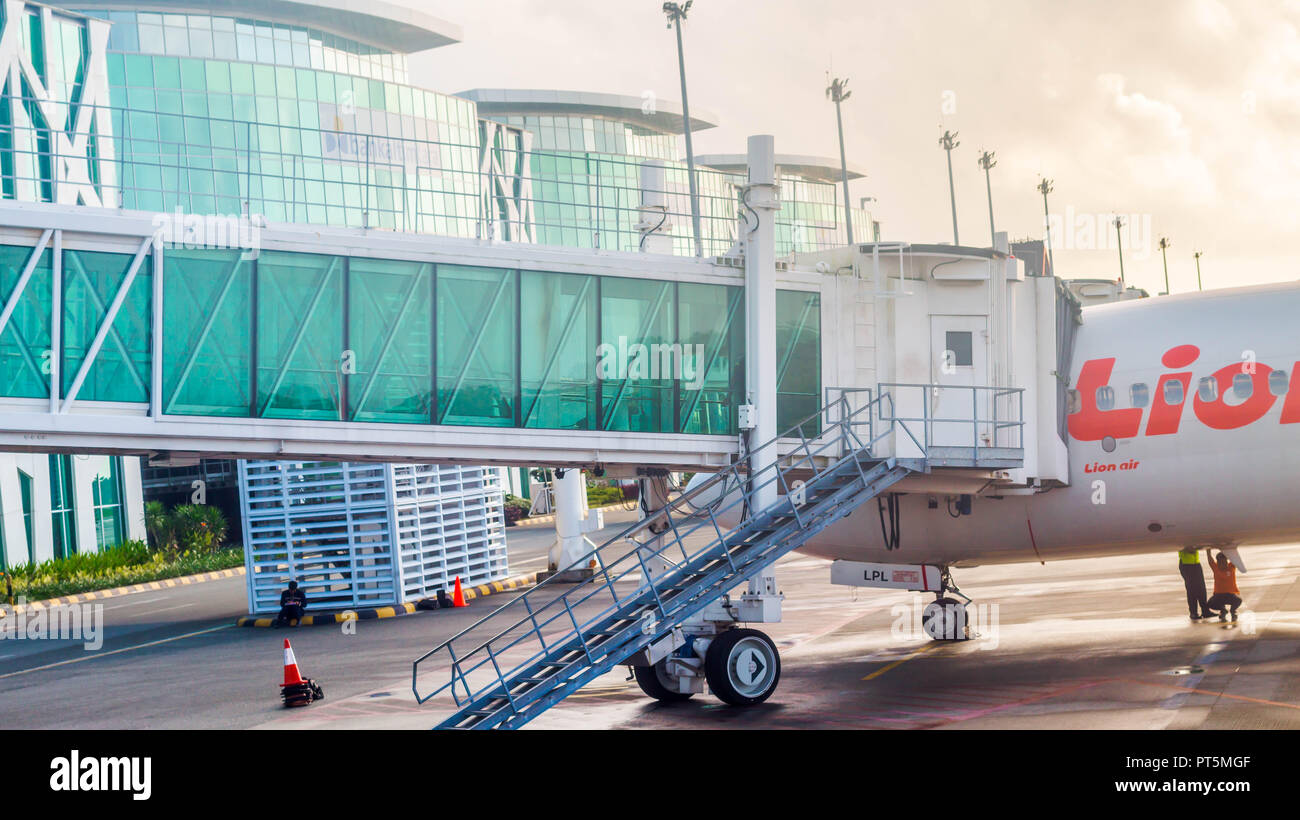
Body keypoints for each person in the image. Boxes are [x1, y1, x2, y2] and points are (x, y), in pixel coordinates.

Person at [1205, 548, 1242, 622]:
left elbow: (1235, 557)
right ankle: (1223, 610)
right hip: (1218, 596)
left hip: (1230, 595)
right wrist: (1208, 550)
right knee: (1210, 604)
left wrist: (1231, 548)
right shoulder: (1215, 568)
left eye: (1224, 561)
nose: (1222, 564)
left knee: (1239, 600)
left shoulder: (1231, 567)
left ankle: (1233, 611)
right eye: (1220, 562)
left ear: (1226, 561)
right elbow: (1209, 558)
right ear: (1217, 562)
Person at [1177, 546, 1212, 621]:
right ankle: (1193, 613)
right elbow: (1183, 546)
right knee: (1192, 590)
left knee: (1202, 588)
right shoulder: (1183, 536)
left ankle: (1205, 611)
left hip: (1196, 563)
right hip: (1186, 564)